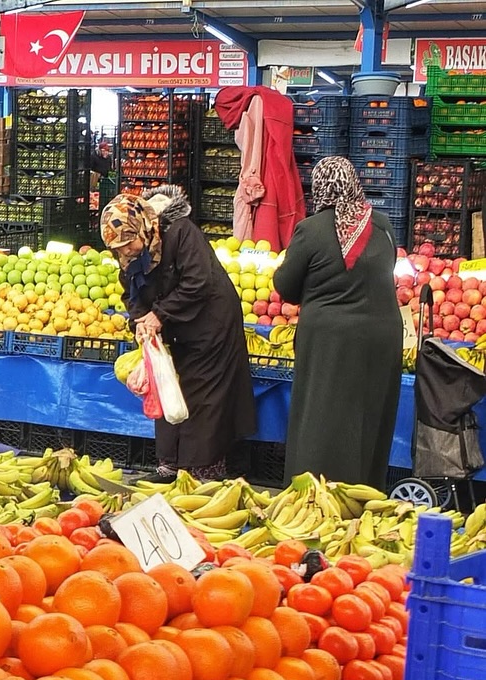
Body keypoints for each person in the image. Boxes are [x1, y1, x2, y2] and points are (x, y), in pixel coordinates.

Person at [101, 186, 256, 482]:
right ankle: (169, 466)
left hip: (210, 321)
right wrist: (140, 322)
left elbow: (198, 281)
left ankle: (203, 471)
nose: (126, 251)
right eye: (118, 249)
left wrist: (159, 314)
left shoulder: (180, 232)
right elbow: (132, 293)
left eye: (129, 243)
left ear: (143, 227)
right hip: (172, 324)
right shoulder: (127, 254)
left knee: (203, 394)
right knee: (168, 386)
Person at [273, 156, 402, 487]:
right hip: (382, 335)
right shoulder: (384, 226)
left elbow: (286, 287)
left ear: (320, 188)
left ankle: (315, 494)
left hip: (330, 339)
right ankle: (364, 491)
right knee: (370, 413)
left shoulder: (311, 230)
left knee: (322, 416)